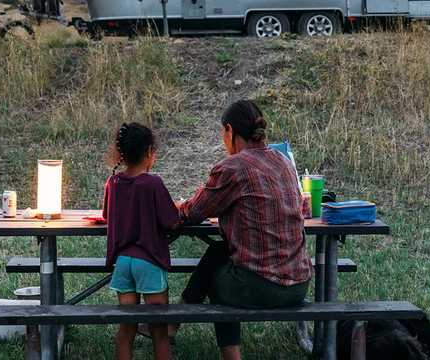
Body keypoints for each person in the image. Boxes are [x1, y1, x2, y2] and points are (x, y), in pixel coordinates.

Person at [179, 100, 313, 360]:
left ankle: (229, 354)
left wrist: (174, 207)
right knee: (220, 251)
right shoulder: (283, 161)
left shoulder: (232, 168)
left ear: (229, 131)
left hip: (261, 288)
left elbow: (194, 211)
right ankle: (173, 325)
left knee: (217, 279)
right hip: (299, 285)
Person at [102, 123, 180, 360]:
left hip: (123, 263)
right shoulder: (153, 183)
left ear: (121, 154)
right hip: (148, 262)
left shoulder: (113, 184)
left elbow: (106, 216)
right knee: (159, 329)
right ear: (149, 153)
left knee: (127, 328)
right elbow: (171, 221)